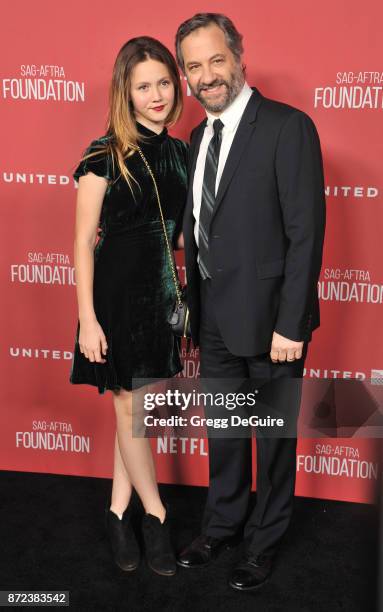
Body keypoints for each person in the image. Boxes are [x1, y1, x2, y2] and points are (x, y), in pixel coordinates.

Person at [175, 13, 326, 591]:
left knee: (273, 437)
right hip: (212, 314)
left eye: (216, 60)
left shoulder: (288, 127)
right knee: (227, 432)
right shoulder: (196, 138)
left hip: (272, 324)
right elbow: (207, 222)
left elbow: (305, 232)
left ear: (239, 57)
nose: (207, 75)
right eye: (194, 66)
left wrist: (291, 324)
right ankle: (223, 525)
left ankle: (263, 543)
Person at [69, 36, 188, 576]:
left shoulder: (183, 152)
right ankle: (157, 516)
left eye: (164, 81)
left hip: (161, 296)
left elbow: (179, 235)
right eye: (144, 86)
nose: (157, 94)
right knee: (129, 407)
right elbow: (82, 242)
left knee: (134, 413)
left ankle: (119, 512)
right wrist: (88, 319)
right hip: (115, 298)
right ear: (126, 92)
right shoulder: (104, 153)